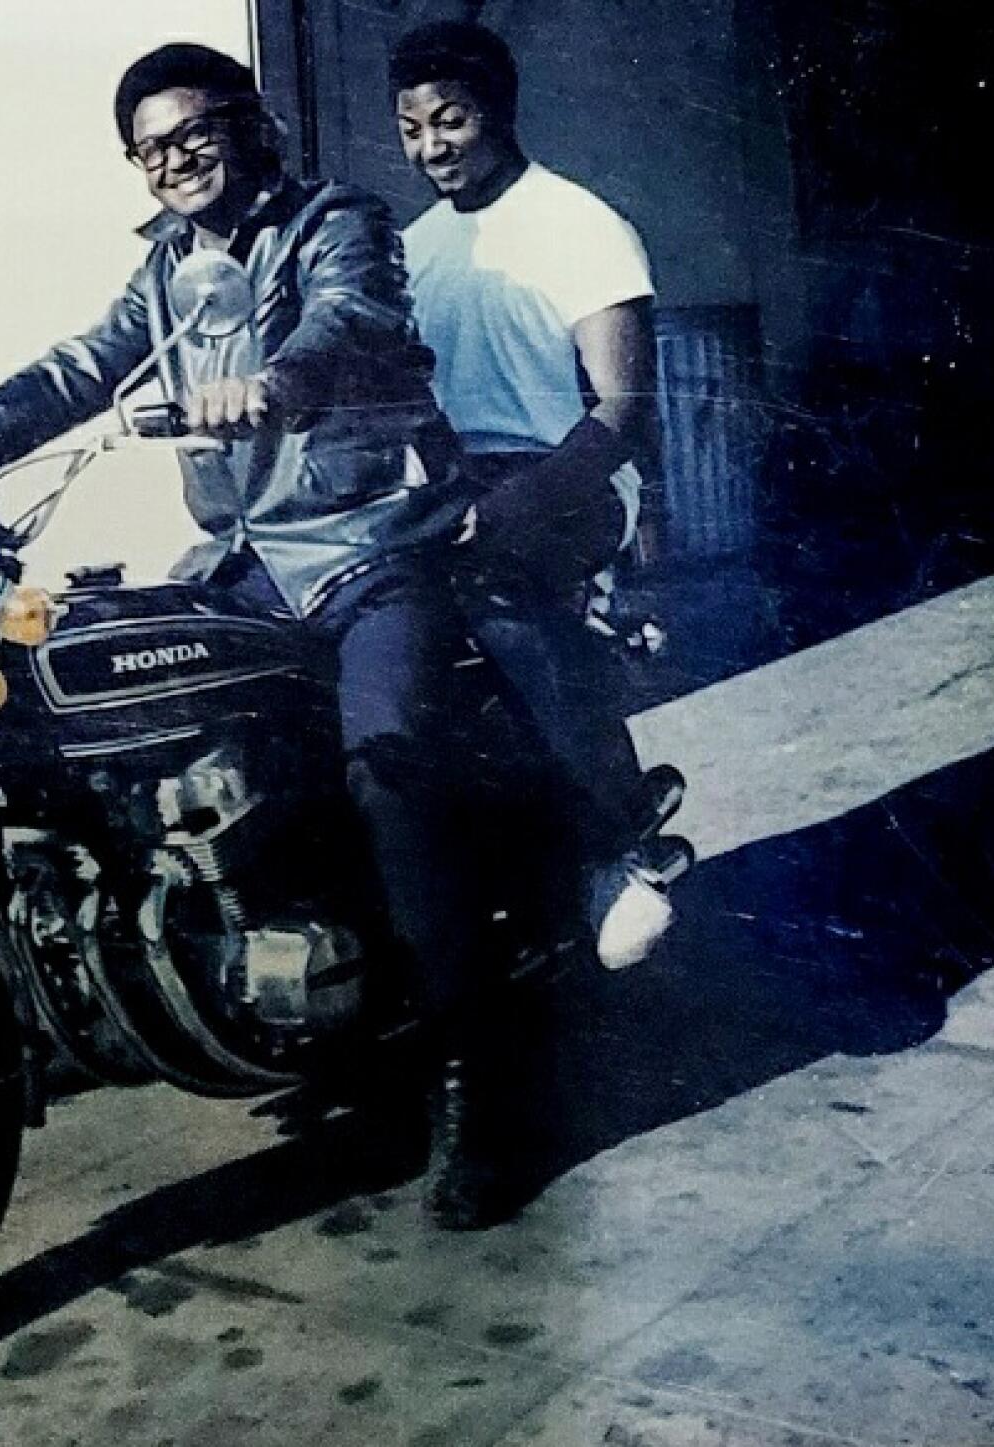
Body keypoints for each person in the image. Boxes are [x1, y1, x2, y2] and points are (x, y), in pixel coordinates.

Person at [0, 43, 513, 1226]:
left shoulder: (336, 221)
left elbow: (349, 320)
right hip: (243, 566)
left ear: (249, 130)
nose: (173, 163)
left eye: (193, 136)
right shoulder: (165, 271)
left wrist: (276, 385)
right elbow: (78, 369)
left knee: (386, 767)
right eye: (148, 150)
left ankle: (473, 1081)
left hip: (366, 548)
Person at [391, 19, 677, 971]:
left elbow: (623, 410)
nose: (431, 147)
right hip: (454, 482)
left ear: (496, 111)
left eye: (451, 121)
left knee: (490, 582)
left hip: (575, 477)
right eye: (411, 129)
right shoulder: (415, 247)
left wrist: (511, 506)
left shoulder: (580, 223)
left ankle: (620, 827)